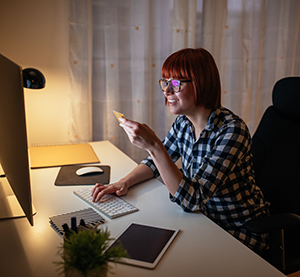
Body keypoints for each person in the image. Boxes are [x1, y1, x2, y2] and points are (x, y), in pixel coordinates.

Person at [92, 48, 270, 253]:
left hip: (237, 230)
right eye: (165, 82)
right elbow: (154, 163)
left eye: (176, 83)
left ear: (200, 84)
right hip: (202, 220)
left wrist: (153, 146)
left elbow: (192, 199)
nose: (167, 91)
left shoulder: (232, 131)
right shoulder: (183, 123)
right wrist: (123, 182)